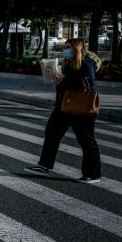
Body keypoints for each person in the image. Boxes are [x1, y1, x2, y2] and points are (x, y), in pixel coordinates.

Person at [25, 38, 102, 183]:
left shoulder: (86, 63)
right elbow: (67, 82)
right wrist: (58, 79)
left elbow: (90, 84)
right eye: (64, 47)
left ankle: (93, 174)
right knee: (51, 134)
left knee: (86, 140)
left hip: (81, 108)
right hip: (63, 106)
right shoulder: (69, 63)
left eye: (68, 47)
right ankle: (44, 166)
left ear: (77, 48)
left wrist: (65, 80)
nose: (65, 50)